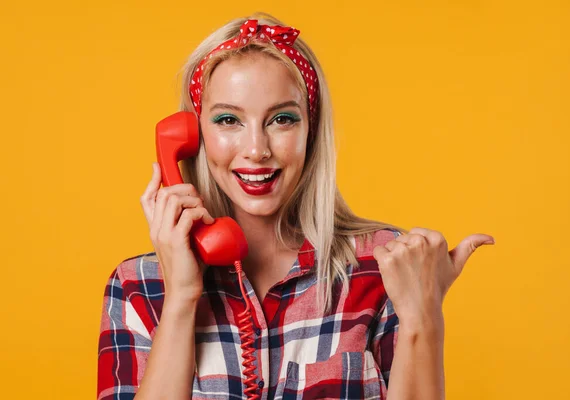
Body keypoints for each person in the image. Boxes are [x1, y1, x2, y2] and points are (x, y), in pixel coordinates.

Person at [97, 12, 495, 400]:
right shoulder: (138, 287)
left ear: (310, 130)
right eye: (228, 120)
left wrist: (423, 317)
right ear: (193, 135)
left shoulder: (386, 264)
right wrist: (182, 296)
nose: (256, 150)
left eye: (282, 119)